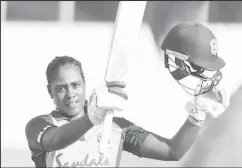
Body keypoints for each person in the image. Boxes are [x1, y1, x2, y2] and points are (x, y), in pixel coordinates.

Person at [25, 23, 229, 167]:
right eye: (61, 88)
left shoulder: (116, 126)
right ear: (49, 91)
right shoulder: (39, 126)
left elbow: (172, 151)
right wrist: (92, 119)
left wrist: (198, 115)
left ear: (85, 85)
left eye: (75, 85)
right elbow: (56, 141)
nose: (70, 93)